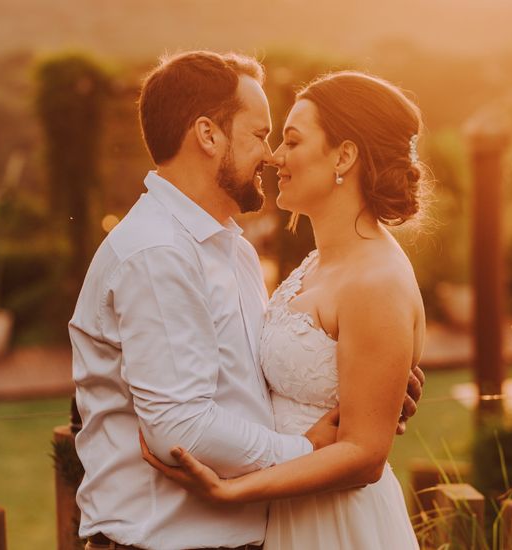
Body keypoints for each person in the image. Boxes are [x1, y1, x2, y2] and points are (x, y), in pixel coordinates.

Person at [70, 52, 423, 550]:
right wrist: (305, 447)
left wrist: (369, 396)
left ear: (344, 157)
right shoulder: (157, 253)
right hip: (166, 541)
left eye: (287, 140)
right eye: (262, 136)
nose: (274, 155)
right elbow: (180, 428)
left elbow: (252, 380)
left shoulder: (230, 247)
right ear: (209, 135)